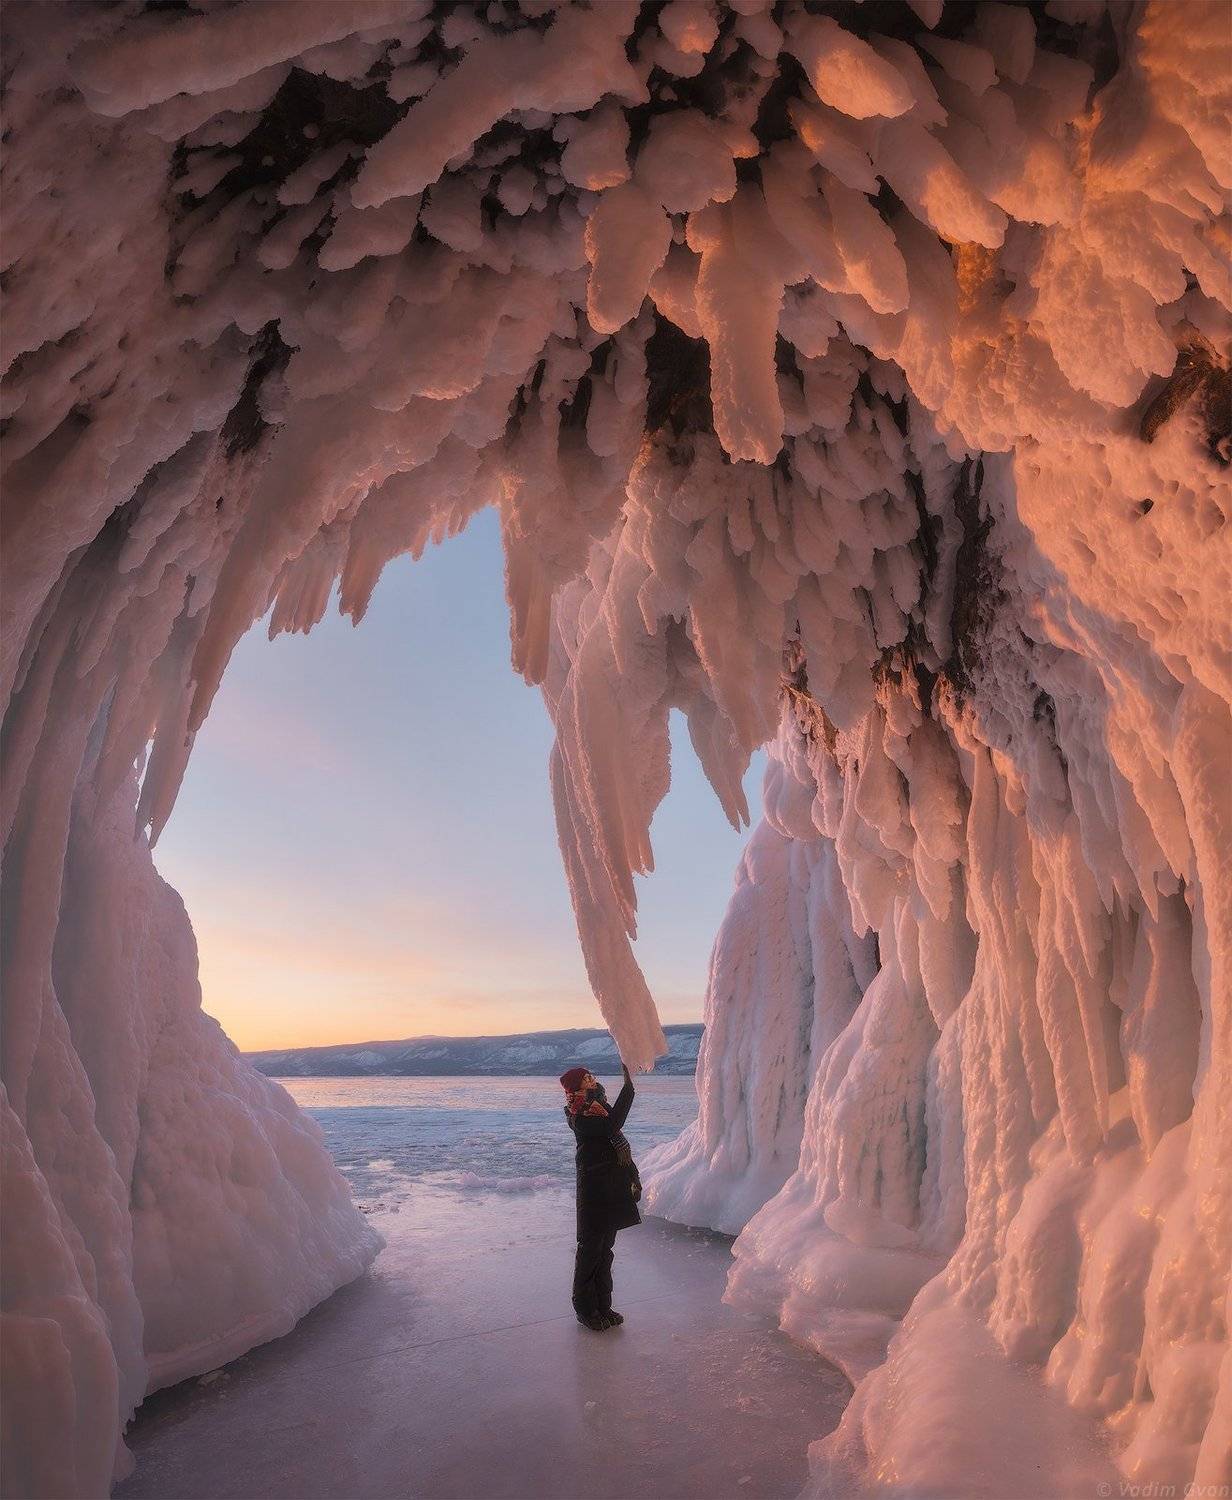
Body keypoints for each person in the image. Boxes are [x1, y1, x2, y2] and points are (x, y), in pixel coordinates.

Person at [559, 1061, 642, 1331]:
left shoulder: (601, 1107)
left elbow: (617, 1141)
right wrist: (628, 1088)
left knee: (605, 1252)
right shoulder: (578, 1115)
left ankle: (603, 1306)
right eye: (586, 1078)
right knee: (590, 1252)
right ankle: (586, 1310)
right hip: (594, 1191)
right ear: (575, 1087)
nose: (591, 1079)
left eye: (590, 1075)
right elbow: (611, 1127)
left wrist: (634, 1178)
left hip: (613, 1189)